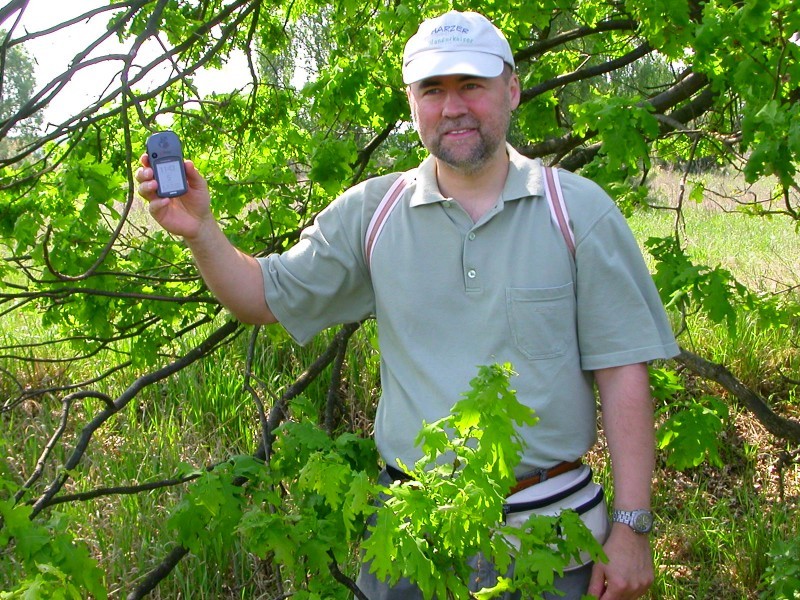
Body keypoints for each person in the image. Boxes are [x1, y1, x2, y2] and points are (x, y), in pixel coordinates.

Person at [137, 10, 679, 599]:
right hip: (409, 545)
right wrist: (201, 232)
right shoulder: (373, 212)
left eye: (472, 85)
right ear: (412, 100)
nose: (454, 107)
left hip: (551, 547)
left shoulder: (579, 213)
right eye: (433, 89)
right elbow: (262, 296)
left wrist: (632, 528)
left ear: (512, 89)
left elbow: (624, 371)